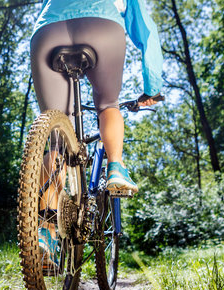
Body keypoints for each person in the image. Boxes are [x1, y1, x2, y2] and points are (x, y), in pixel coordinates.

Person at [30, 0, 163, 265]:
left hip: (48, 31)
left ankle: (45, 233)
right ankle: (115, 168)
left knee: (56, 139)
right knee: (107, 104)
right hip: (102, 26)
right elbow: (145, 29)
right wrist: (152, 86)